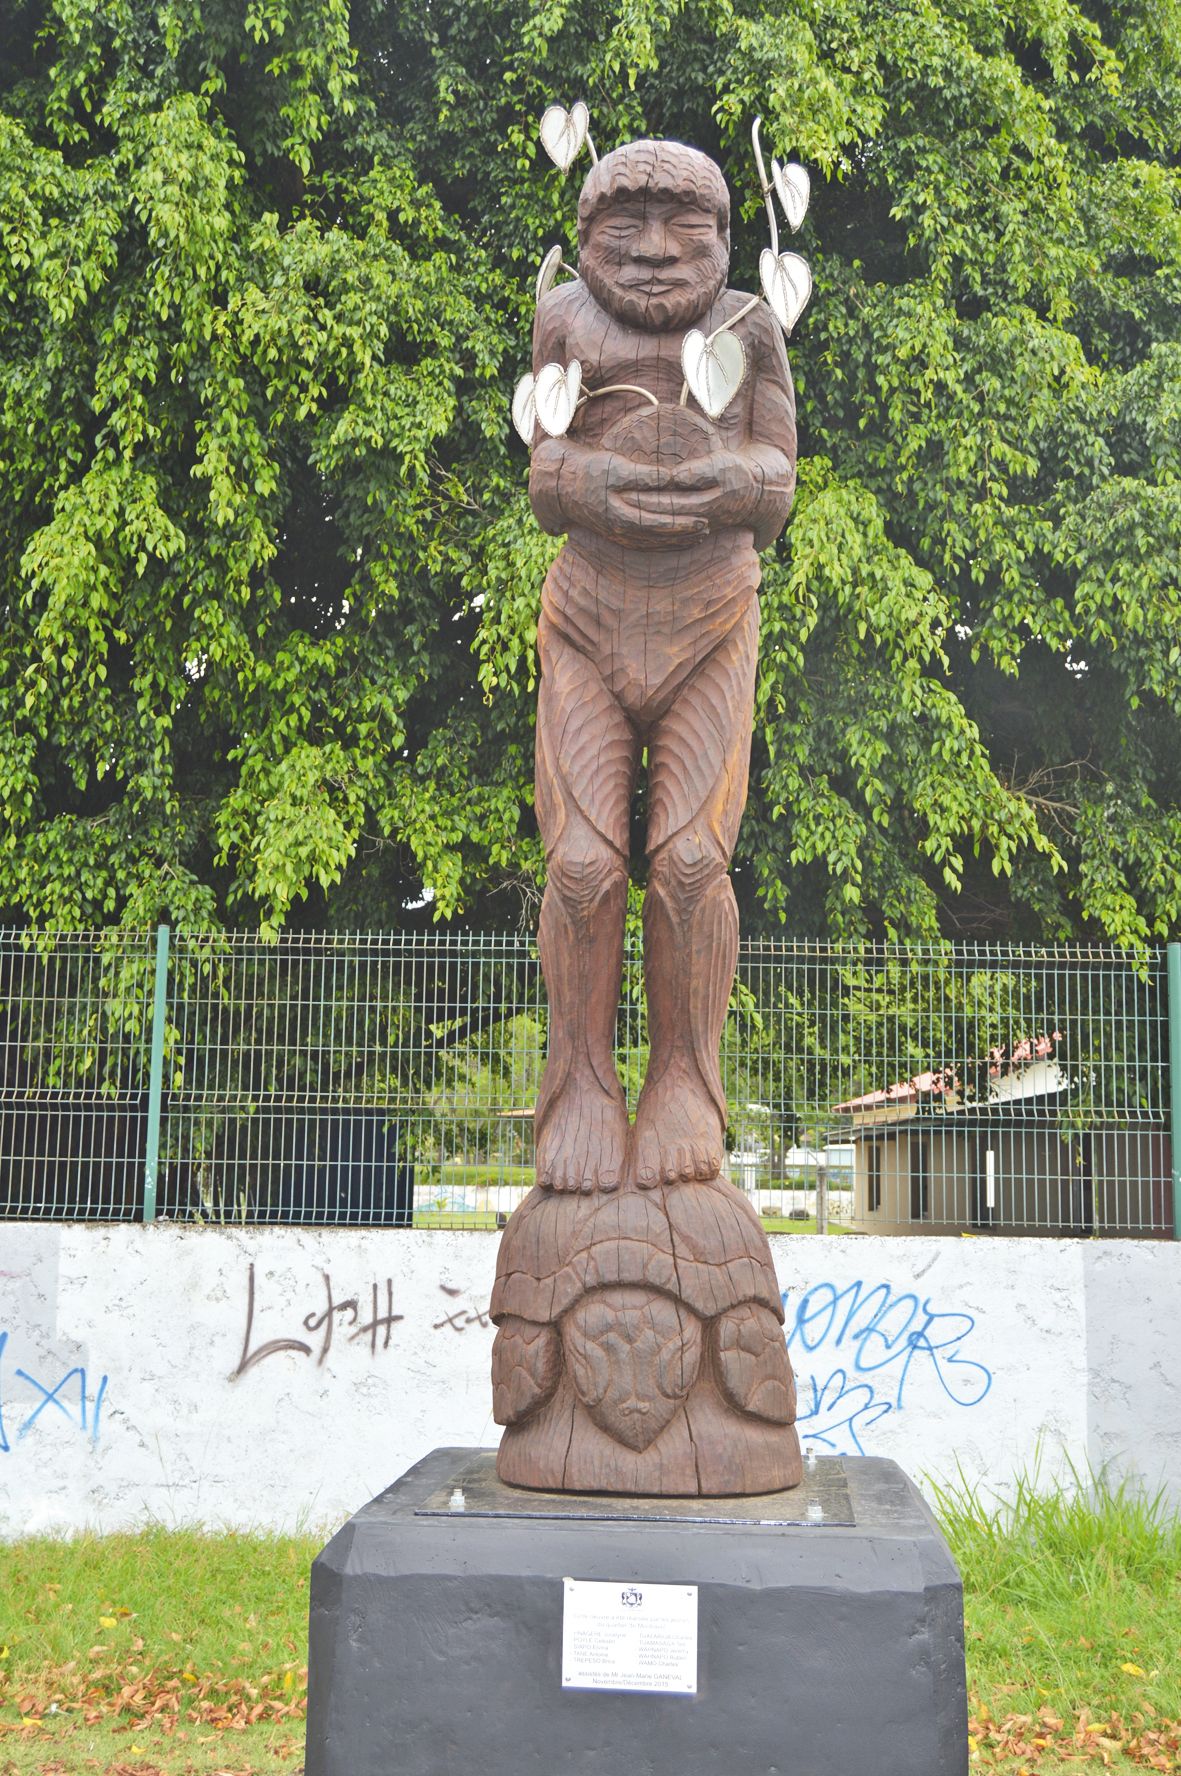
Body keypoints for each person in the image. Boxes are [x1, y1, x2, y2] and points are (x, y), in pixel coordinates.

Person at [529, 138, 797, 1193]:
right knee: (584, 869)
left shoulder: (748, 325)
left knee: (689, 867)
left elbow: (777, 477)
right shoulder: (563, 322)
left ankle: (685, 1083)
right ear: (587, 233)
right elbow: (543, 471)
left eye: (681, 226)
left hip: (708, 618)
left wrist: (730, 483)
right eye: (620, 224)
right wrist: (587, 482)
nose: (649, 250)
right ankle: (580, 1084)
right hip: (589, 617)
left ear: (726, 239)